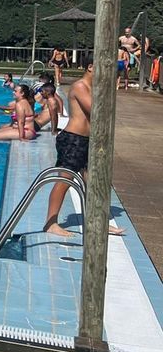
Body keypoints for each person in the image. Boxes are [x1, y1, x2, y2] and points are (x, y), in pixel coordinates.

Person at [43, 57, 124, 236]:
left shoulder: (94, 88)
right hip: (73, 139)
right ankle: (51, 222)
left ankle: (96, 223)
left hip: (87, 140)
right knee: (65, 180)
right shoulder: (80, 86)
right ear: (90, 67)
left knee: (92, 183)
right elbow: (96, 110)